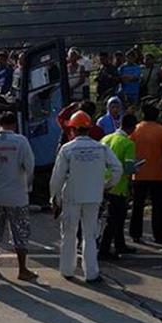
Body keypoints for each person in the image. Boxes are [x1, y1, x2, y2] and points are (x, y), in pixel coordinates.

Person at [49, 111, 123, 282]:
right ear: (89, 129)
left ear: (73, 130)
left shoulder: (67, 149)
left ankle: (67, 270)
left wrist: (55, 198)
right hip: (94, 196)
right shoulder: (101, 148)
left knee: (69, 233)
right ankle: (91, 272)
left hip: (72, 196)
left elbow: (57, 177)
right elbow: (117, 168)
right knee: (90, 235)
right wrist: (106, 186)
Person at [0, 111, 38, 281]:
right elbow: (30, 167)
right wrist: (27, 187)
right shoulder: (21, 141)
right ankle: (22, 269)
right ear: (14, 125)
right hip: (17, 196)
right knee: (20, 233)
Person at [129, 104, 162, 245]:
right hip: (159, 173)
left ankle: (135, 233)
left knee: (137, 206)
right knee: (159, 207)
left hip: (139, 173)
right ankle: (159, 235)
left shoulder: (136, 130)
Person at [100, 114, 139, 260]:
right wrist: (136, 168)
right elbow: (129, 168)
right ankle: (104, 249)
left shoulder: (106, 139)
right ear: (132, 128)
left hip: (103, 184)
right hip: (118, 186)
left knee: (116, 218)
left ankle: (120, 244)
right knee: (114, 219)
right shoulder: (128, 143)